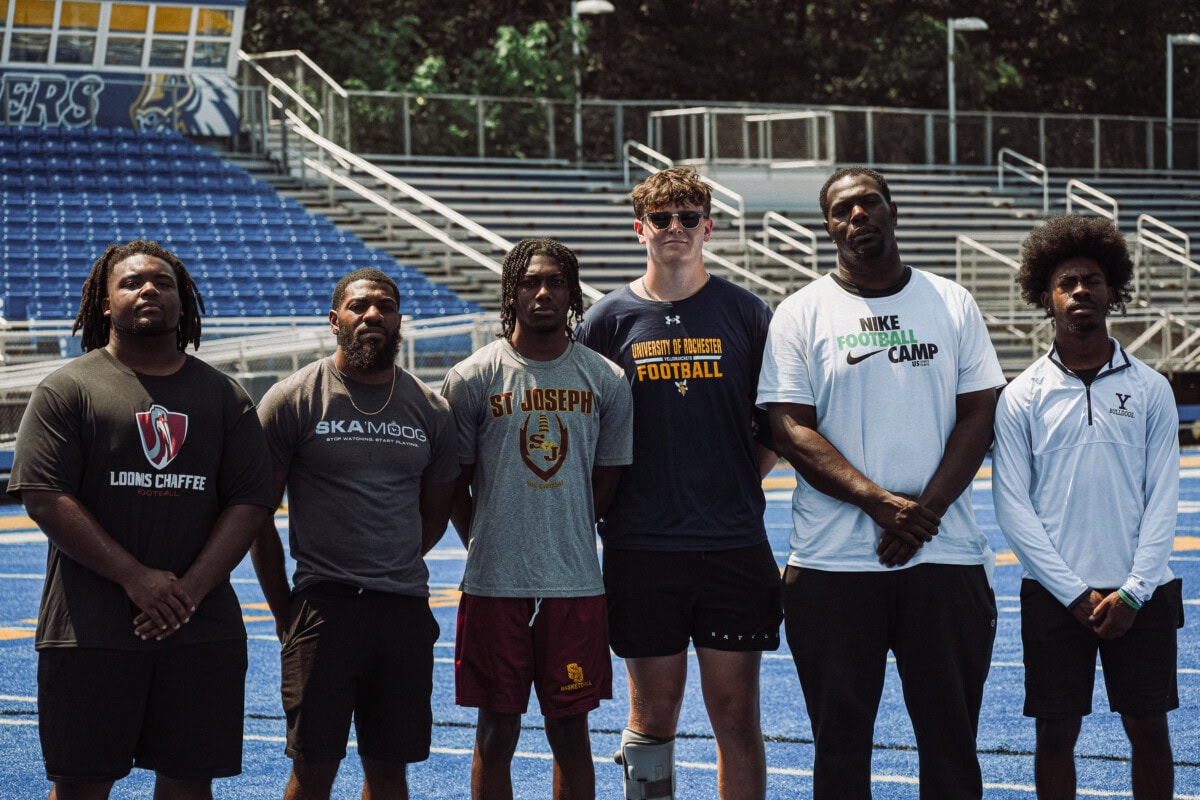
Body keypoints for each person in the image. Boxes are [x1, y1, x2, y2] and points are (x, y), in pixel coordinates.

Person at [757, 166, 1004, 799]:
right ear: (828, 226)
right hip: (833, 568)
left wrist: (923, 512)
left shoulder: (951, 302)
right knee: (840, 751)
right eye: (843, 210)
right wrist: (879, 503)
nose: (858, 216)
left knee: (952, 747)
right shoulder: (799, 313)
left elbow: (980, 413)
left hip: (943, 560)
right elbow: (789, 428)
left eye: (869, 203)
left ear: (893, 210)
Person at [7, 239, 274, 800]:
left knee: (187, 785)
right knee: (81, 787)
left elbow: (251, 500)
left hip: (200, 631)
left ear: (184, 303)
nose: (149, 288)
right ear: (105, 304)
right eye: (131, 282)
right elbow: (43, 494)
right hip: (89, 631)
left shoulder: (225, 395)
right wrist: (137, 578)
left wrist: (188, 592)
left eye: (163, 283)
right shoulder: (67, 388)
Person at [575, 167, 781, 800]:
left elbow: (777, 424)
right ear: (640, 228)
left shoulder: (747, 312)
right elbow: (588, 431)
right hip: (642, 547)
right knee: (651, 719)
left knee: (736, 717)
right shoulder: (606, 320)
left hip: (733, 544)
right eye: (661, 219)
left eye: (688, 217)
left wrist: (737, 476)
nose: (675, 229)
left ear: (708, 228)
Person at [249, 267, 459, 800]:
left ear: (398, 320)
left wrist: (389, 561)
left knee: (390, 772)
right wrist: (285, 612)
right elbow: (256, 516)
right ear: (335, 318)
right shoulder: (292, 398)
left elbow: (433, 516)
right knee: (314, 768)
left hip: (402, 610)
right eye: (360, 305)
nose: (373, 315)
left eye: (385, 307)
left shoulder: (431, 410)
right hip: (323, 608)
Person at [992, 215, 1182, 800]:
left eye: (1092, 280)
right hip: (1055, 597)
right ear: (1045, 297)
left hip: (1143, 593)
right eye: (1067, 282)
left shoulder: (1152, 388)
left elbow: (1164, 497)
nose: (1080, 292)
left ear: (1112, 291)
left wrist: (1134, 590)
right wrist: (1073, 592)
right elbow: (1012, 507)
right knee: (1055, 734)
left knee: (1149, 730)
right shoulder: (1021, 395)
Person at [441, 238, 634, 800]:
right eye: (531, 282)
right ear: (512, 292)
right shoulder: (473, 377)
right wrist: (486, 537)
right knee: (495, 731)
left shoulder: (606, 380)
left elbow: (607, 481)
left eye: (555, 282)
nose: (544, 292)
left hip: (574, 583)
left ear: (573, 293)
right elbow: (455, 483)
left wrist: (563, 527)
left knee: (570, 731)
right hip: (494, 584)